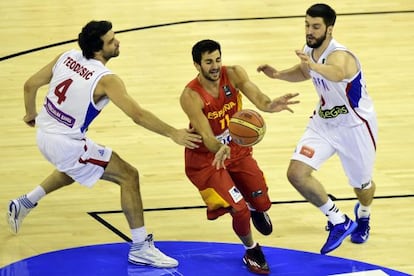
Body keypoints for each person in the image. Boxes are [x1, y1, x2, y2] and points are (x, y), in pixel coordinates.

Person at [6, 20, 202, 268]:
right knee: (128, 176)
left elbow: (29, 85)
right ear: (98, 50)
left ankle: (24, 203)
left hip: (46, 132)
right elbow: (137, 115)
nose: (117, 41)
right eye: (111, 41)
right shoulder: (106, 80)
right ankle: (140, 247)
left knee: (77, 167)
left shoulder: (66, 56)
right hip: (65, 143)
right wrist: (173, 133)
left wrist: (30, 114)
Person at [257, 3, 377, 255]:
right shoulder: (309, 51)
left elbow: (337, 73)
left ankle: (363, 215)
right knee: (296, 174)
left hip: (355, 127)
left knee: (362, 187)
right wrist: (279, 74)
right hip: (323, 123)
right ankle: (338, 220)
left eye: (315, 27)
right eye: (307, 25)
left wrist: (313, 66)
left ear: (329, 29)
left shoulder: (340, 55)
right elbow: (304, 72)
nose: (309, 31)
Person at [180, 39, 299, 275]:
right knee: (239, 209)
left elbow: (257, 95)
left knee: (262, 201)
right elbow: (205, 134)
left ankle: (257, 209)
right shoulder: (190, 96)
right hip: (207, 160)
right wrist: (218, 148)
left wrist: (269, 104)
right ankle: (251, 250)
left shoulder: (233, 74)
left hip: (237, 151)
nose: (215, 66)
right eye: (208, 62)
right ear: (197, 65)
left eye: (217, 59)